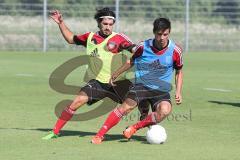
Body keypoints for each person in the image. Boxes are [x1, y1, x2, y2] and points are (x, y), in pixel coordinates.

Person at [42, 7, 148, 140]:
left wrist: (141, 49)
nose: (108, 27)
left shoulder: (119, 38)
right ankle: (55, 131)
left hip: (118, 81)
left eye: (110, 24)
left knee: (142, 102)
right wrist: (60, 23)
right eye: (105, 24)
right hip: (98, 82)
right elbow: (70, 39)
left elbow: (133, 48)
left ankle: (144, 126)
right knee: (77, 101)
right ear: (98, 23)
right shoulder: (90, 37)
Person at [91, 17, 183, 144]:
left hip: (161, 89)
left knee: (165, 110)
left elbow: (179, 71)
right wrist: (116, 74)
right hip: (142, 86)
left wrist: (178, 92)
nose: (162, 38)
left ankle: (134, 127)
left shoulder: (175, 51)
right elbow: (131, 60)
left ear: (169, 32)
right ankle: (100, 134)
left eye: (165, 34)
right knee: (126, 108)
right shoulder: (143, 46)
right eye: (159, 34)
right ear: (154, 33)